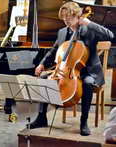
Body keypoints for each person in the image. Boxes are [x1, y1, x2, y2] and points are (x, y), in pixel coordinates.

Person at [29, 2, 114, 136]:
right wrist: (41, 64)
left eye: (68, 18)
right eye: (63, 18)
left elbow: (110, 35)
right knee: (44, 78)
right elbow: (54, 50)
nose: (66, 21)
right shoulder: (62, 32)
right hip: (67, 71)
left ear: (77, 16)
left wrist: (89, 23)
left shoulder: (89, 29)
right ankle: (41, 118)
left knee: (87, 83)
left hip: (88, 71)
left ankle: (83, 122)